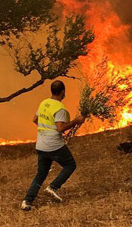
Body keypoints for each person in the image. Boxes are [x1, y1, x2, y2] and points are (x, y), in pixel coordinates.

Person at [22, 80, 84, 211]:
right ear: (63, 92)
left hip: (41, 144)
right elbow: (61, 128)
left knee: (41, 173)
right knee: (70, 165)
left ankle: (27, 201)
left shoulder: (44, 103)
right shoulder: (60, 108)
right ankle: (53, 187)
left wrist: (45, 129)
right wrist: (76, 121)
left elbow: (35, 119)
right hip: (53, 145)